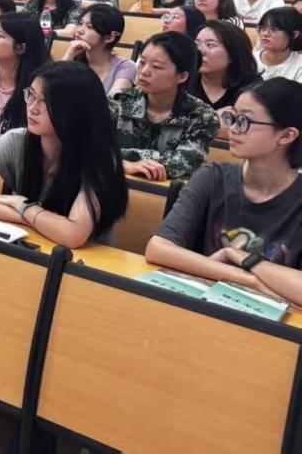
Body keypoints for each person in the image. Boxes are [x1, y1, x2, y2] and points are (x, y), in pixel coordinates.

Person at [0, 60, 128, 454]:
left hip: (79, 290)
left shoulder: (98, 158)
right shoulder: (18, 140)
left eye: (44, 102)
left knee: (42, 364)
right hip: (23, 277)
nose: (31, 107)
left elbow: (74, 234)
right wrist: (27, 214)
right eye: (30, 96)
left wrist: (23, 206)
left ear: (73, 110)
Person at [145, 78, 302, 307]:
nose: (233, 129)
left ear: (287, 135)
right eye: (233, 118)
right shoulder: (212, 177)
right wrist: (248, 280)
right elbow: (158, 248)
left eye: (245, 121)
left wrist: (242, 257)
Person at [110, 32, 220, 181]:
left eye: (156, 67)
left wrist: (115, 158)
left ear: (182, 76)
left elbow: (182, 164)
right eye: (142, 62)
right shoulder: (119, 100)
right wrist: (123, 164)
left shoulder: (202, 116)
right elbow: (88, 148)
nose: (144, 71)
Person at [188, 20, 261, 115]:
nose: (200, 51)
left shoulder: (253, 89)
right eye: (196, 44)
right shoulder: (183, 81)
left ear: (233, 54)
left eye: (210, 45)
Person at [62, 4, 136, 95]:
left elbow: (114, 102)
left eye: (90, 27)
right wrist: (68, 55)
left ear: (110, 37)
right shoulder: (72, 60)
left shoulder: (124, 67)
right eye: (80, 23)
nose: (79, 30)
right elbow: (51, 93)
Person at [254, 6, 302, 81]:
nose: (265, 33)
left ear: (294, 35)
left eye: (274, 29)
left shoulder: (299, 65)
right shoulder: (250, 59)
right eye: (263, 28)